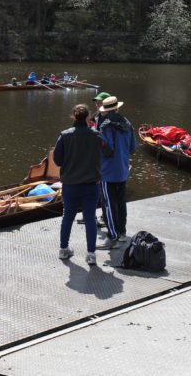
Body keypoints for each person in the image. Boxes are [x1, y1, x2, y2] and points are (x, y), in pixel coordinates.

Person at [53, 104, 103, 266]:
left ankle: (63, 249)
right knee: (89, 218)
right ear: (88, 118)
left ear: (73, 117)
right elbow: (107, 153)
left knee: (67, 216)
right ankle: (90, 254)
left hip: (70, 184)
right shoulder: (97, 135)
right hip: (91, 185)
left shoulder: (64, 135)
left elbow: (58, 160)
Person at [95, 96, 137, 250]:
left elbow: (107, 150)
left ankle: (112, 237)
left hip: (107, 171)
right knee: (120, 202)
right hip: (123, 170)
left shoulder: (105, 126)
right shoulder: (128, 124)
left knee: (107, 204)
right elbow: (133, 148)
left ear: (105, 111)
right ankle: (122, 232)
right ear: (117, 108)